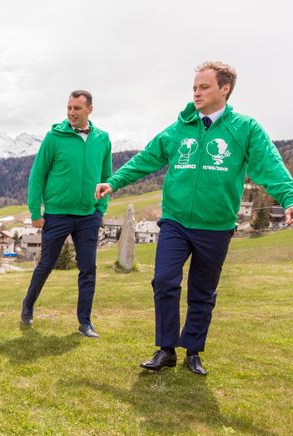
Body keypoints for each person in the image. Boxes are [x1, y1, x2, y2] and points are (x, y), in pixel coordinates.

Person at [95, 61, 293, 374]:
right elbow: (147, 158)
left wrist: (289, 197)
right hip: (175, 221)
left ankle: (194, 351)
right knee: (164, 280)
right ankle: (166, 349)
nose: (196, 93)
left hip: (215, 226)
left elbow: (269, 165)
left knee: (202, 292)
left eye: (204, 87)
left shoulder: (245, 129)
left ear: (224, 89)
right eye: (194, 88)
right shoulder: (180, 128)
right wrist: (114, 181)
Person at [21, 89, 112, 338]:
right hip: (57, 214)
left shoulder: (102, 139)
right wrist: (34, 211)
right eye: (69, 108)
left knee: (88, 268)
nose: (72, 113)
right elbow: (37, 176)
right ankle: (27, 306)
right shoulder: (54, 137)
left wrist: (100, 208)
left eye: (77, 108)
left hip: (87, 216)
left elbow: (106, 176)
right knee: (46, 264)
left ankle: (85, 322)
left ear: (89, 110)